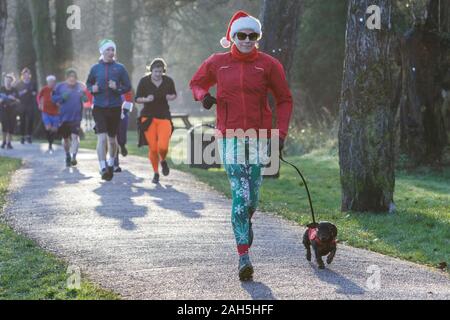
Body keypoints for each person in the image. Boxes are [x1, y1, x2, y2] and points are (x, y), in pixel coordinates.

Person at [190, 11, 293, 281]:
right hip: (230, 134)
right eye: (242, 35)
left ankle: (245, 221)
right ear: (232, 37)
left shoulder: (269, 65)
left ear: (257, 37)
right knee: (240, 191)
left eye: (252, 36)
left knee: (253, 197)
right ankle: (243, 255)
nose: (247, 40)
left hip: (259, 136)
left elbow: (284, 99)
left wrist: (280, 134)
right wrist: (204, 97)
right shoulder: (218, 62)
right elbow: (196, 82)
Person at [86, 39, 132, 181]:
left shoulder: (120, 68)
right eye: (108, 50)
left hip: (114, 107)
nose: (111, 52)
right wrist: (91, 89)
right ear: (102, 51)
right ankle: (103, 167)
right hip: (99, 107)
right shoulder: (95, 68)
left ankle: (111, 164)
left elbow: (128, 86)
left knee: (112, 140)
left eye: (113, 50)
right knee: (101, 138)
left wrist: (116, 88)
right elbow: (88, 83)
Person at [135, 58, 177, 184]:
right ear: (151, 70)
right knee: (153, 148)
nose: (158, 74)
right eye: (156, 72)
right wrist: (146, 99)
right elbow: (137, 99)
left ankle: (163, 161)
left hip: (164, 116)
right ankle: (156, 173)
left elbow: (174, 95)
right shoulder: (144, 81)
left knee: (163, 146)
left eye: (160, 72)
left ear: (163, 71)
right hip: (148, 118)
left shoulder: (168, 81)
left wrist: (170, 97)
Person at [52, 69, 87, 167]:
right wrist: (62, 98)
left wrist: (83, 97)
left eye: (74, 77)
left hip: (76, 117)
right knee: (66, 139)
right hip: (63, 118)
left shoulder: (80, 86)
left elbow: (86, 98)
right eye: (70, 77)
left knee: (75, 137)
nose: (72, 79)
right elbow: (53, 99)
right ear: (66, 78)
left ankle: (74, 157)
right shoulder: (60, 86)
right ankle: (67, 155)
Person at [38, 75, 60, 152]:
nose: (51, 83)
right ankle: (50, 144)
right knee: (48, 127)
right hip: (46, 112)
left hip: (55, 112)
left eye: (52, 82)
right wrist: (39, 104)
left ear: (54, 82)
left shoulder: (57, 89)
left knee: (54, 129)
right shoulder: (44, 89)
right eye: (49, 82)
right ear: (47, 82)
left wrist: (59, 103)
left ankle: (51, 143)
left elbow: (61, 98)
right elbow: (39, 97)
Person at [15, 68, 37, 144]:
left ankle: (29, 136)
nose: (26, 75)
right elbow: (17, 94)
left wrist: (33, 93)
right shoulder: (19, 84)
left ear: (29, 75)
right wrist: (23, 92)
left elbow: (35, 92)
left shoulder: (32, 83)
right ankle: (22, 136)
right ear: (22, 75)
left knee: (30, 120)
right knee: (22, 120)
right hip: (22, 104)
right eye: (24, 74)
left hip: (30, 104)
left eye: (27, 74)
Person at [114, 90, 133, 173]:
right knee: (113, 139)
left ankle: (122, 145)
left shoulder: (125, 87)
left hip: (123, 116)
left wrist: (123, 113)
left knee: (121, 137)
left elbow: (129, 102)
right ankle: (115, 163)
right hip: (111, 115)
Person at [0, 73, 20, 149]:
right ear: (4, 81)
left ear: (12, 81)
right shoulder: (1, 89)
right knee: (4, 125)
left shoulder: (14, 90)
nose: (7, 82)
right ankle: (4, 141)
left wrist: (14, 98)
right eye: (6, 80)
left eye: (9, 80)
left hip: (12, 110)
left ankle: (9, 143)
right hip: (3, 109)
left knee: (11, 126)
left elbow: (19, 101)